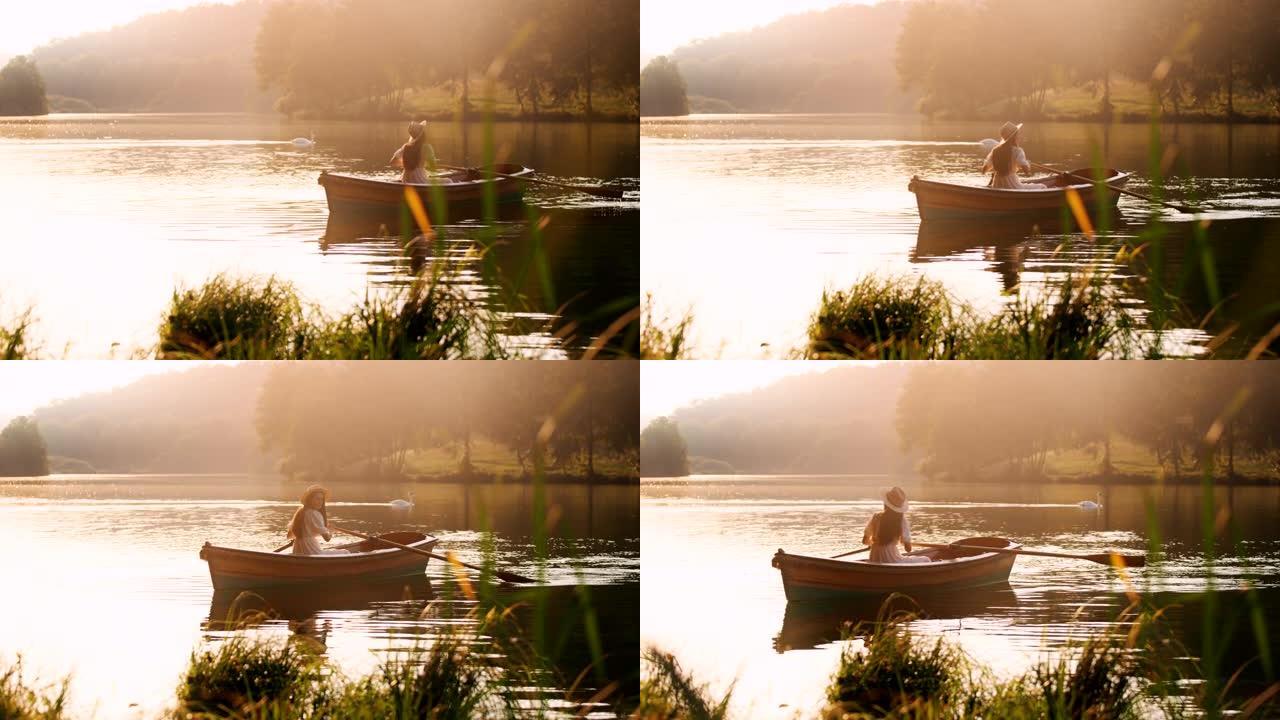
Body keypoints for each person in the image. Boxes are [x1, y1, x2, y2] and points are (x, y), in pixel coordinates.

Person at [862, 487, 931, 564]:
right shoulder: (901, 520)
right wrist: (906, 542)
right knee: (926, 559)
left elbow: (865, 541)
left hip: (874, 556)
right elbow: (908, 549)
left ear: (886, 503)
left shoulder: (876, 516)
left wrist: (874, 543)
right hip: (892, 559)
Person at [982, 121, 1047, 190]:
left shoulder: (995, 151)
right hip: (1012, 186)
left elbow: (984, 170)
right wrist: (1027, 164)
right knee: (1043, 186)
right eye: (1017, 134)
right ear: (1014, 136)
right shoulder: (1018, 151)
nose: (1019, 136)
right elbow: (1027, 172)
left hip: (997, 184)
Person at [288, 485, 347, 555]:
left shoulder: (301, 511)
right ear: (310, 499)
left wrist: (323, 527)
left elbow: (289, 535)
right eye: (317, 499)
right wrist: (331, 530)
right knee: (346, 552)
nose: (320, 502)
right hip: (311, 551)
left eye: (322, 499)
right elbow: (327, 539)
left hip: (298, 548)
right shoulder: (314, 514)